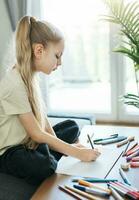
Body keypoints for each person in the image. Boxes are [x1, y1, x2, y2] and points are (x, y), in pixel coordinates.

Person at [0, 16, 100, 186]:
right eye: (57, 56)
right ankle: (49, 153)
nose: (59, 63)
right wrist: (77, 153)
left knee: (71, 126)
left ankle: (48, 151)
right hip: (10, 152)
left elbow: (42, 121)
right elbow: (36, 133)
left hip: (28, 143)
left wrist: (73, 149)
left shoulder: (29, 76)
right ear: (39, 51)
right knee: (45, 166)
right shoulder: (13, 84)